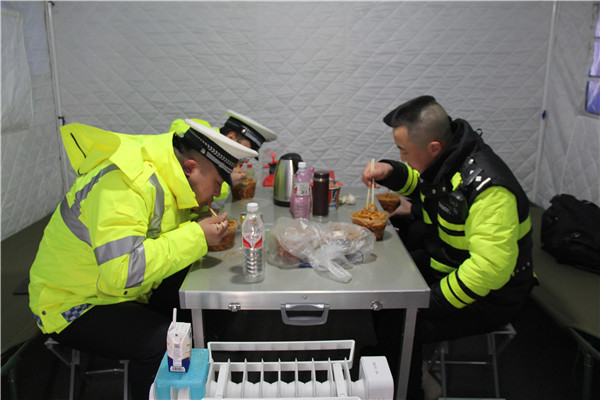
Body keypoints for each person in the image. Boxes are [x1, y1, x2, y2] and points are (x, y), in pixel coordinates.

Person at [28, 119, 257, 400]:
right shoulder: (126, 184)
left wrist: (196, 223)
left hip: (115, 291)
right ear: (190, 168)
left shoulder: (171, 178)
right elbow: (123, 271)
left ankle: (205, 376)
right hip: (72, 303)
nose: (217, 194)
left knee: (205, 296)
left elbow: (158, 235)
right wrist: (197, 235)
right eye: (217, 184)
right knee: (167, 343)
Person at [361, 95, 536, 399]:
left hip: (493, 294)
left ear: (433, 148)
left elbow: (489, 269)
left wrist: (429, 301)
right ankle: (396, 369)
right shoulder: (448, 161)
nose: (402, 157)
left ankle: (410, 388)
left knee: (399, 323)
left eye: (403, 151)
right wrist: (390, 171)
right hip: (448, 263)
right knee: (384, 291)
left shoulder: (490, 189)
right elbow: (423, 186)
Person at [170, 110, 277, 211]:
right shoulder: (196, 143)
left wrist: (199, 216)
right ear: (231, 137)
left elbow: (190, 200)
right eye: (244, 155)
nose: (245, 161)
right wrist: (228, 181)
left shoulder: (208, 153)